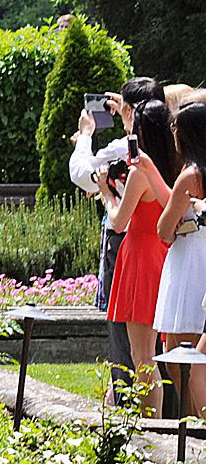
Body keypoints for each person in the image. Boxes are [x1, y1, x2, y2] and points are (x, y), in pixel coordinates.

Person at [72, 76, 162, 397]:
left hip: (133, 251)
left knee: (137, 358)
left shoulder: (134, 160)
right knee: (156, 353)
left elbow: (84, 177)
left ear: (134, 113)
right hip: (160, 249)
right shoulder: (168, 152)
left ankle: (138, 419)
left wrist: (85, 137)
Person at [112, 99, 179, 415]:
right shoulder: (174, 163)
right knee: (156, 353)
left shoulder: (140, 172)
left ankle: (151, 430)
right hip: (162, 256)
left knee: (143, 356)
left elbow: (118, 222)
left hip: (140, 260)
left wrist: (106, 193)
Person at [155, 103, 206, 418]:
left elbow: (164, 230)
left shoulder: (189, 176)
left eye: (175, 129)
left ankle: (191, 429)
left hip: (189, 263)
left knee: (179, 358)